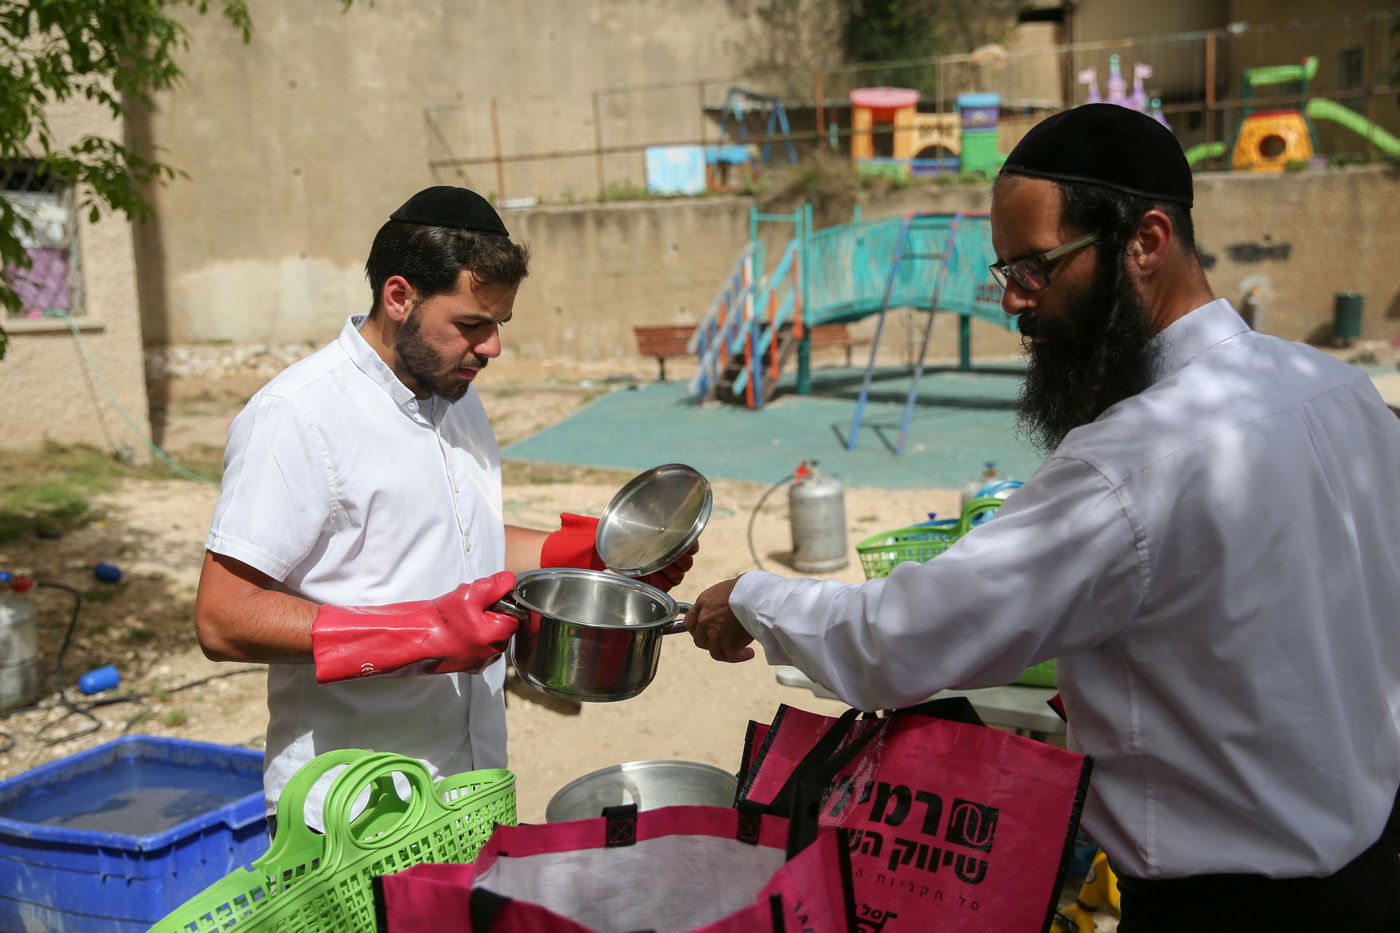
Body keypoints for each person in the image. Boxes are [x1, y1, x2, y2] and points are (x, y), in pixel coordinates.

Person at [684, 105, 1400, 931]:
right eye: (1004, 274)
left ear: (1146, 241)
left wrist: (753, 599)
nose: (1016, 304)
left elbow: (904, 637)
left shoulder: (1133, 460)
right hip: (1371, 878)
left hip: (1230, 907)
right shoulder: (1343, 393)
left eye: (1035, 267)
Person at [195, 186, 692, 820]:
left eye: (500, 325)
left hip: (471, 782)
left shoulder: (452, 393)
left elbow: (461, 536)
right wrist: (419, 635)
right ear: (398, 297)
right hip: (353, 812)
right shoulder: (299, 416)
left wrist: (588, 554)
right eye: (471, 325)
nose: (492, 348)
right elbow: (223, 618)